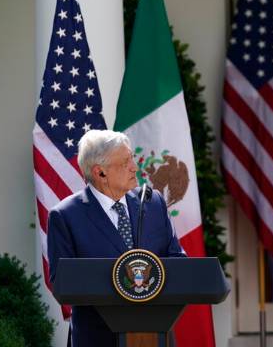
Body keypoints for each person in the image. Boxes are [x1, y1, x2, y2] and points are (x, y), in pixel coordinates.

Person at [47, 130, 186, 346]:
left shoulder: (153, 203)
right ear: (100, 172)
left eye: (132, 158)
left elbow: (178, 261)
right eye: (125, 162)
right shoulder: (65, 216)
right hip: (97, 338)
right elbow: (62, 284)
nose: (135, 167)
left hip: (155, 334)